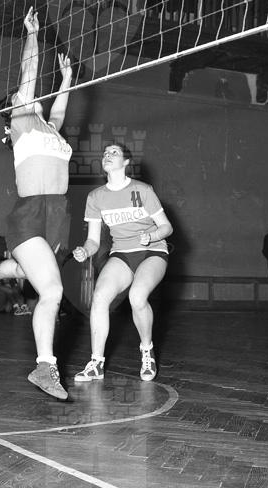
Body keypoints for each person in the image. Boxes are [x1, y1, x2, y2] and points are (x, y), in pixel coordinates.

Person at [0, 7, 74, 399]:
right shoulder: (21, 121)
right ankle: (45, 367)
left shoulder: (51, 129)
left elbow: (59, 110)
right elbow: (28, 73)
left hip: (58, 214)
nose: (32, 97)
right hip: (30, 212)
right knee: (52, 291)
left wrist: (67, 79)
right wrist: (32, 36)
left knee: (29, 273)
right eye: (25, 96)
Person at [72, 143, 173, 383]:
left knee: (137, 297)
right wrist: (85, 250)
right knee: (99, 297)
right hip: (122, 254)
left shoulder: (142, 190)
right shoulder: (96, 197)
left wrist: (152, 236)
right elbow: (93, 241)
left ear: (126, 162)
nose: (107, 155)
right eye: (105, 153)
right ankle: (96, 363)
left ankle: (147, 351)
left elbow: (167, 227)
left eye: (114, 152)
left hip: (152, 251)